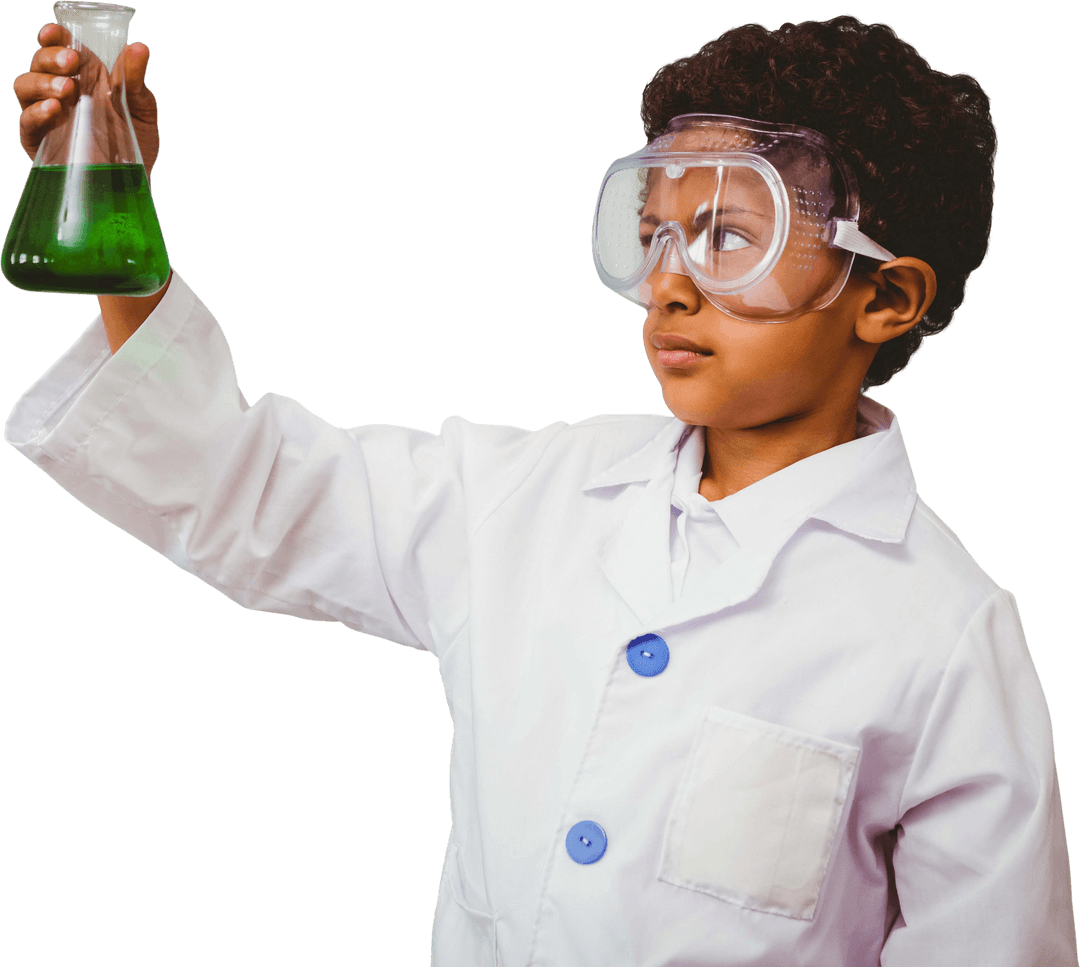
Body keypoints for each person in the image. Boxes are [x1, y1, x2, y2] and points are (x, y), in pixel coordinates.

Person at [7, 13, 1077, 966]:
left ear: (884, 295)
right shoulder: (526, 498)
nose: (668, 280)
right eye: (655, 230)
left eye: (730, 236)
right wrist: (113, 206)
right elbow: (246, 486)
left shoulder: (946, 637)